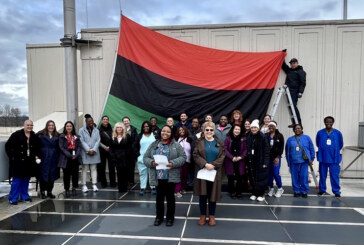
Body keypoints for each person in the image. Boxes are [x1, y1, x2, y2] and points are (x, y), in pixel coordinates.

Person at [144, 125, 187, 227]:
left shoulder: (176, 145)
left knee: (170, 198)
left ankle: (170, 218)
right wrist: (151, 162)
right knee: (159, 198)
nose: (165, 133)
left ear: (171, 133)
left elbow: (183, 157)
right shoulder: (154, 144)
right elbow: (145, 157)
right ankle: (159, 217)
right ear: (160, 132)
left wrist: (173, 163)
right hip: (158, 176)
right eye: (163, 131)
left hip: (170, 176)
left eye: (168, 132)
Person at [194, 122, 225, 226]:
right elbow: (195, 155)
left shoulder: (219, 143)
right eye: (207, 130)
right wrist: (205, 164)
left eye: (211, 130)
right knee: (203, 195)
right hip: (203, 172)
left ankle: (212, 216)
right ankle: (203, 215)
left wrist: (213, 165)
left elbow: (222, 156)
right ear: (204, 131)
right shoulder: (199, 142)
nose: (209, 132)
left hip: (214, 173)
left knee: (213, 195)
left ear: (214, 131)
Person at [5, 120, 40, 205]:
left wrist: (36, 155)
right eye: (28, 125)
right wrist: (13, 157)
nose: (29, 127)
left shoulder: (34, 136)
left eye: (31, 125)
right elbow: (8, 146)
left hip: (29, 162)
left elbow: (37, 148)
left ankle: (24, 196)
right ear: (24, 125)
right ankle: (13, 198)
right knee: (17, 180)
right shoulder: (16, 135)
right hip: (18, 162)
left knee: (26, 180)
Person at [316, 116, 343, 198]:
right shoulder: (320, 133)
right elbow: (318, 143)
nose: (328, 123)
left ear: (333, 122)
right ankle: (322, 190)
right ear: (324, 122)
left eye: (330, 122)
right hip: (323, 158)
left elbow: (341, 144)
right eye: (327, 122)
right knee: (322, 175)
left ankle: (336, 191)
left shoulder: (338, 133)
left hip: (334, 158)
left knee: (334, 176)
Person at [286, 124, 315, 197]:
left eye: (299, 128)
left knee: (304, 176)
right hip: (293, 161)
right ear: (293, 130)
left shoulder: (307, 138)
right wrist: (288, 162)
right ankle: (296, 191)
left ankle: (304, 191)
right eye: (296, 128)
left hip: (304, 161)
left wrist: (311, 159)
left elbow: (311, 148)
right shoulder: (290, 139)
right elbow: (287, 151)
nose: (297, 130)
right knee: (294, 177)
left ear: (302, 129)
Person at [246, 119, 270, 202]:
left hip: (260, 160)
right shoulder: (249, 136)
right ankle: (254, 193)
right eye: (252, 128)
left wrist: (265, 162)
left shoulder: (263, 137)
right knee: (253, 177)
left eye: (255, 128)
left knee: (261, 178)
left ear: (258, 128)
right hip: (251, 161)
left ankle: (261, 194)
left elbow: (267, 150)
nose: (253, 129)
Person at [58, 121, 83, 197]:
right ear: (65, 127)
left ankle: (74, 188)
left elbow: (79, 146)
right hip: (66, 157)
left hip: (75, 156)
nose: (69, 127)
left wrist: (76, 154)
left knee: (75, 174)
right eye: (67, 126)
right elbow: (61, 147)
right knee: (66, 175)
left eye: (70, 126)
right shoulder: (62, 136)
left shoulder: (76, 136)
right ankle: (67, 189)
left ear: (72, 128)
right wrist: (69, 155)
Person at [224, 124, 247, 199]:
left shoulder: (243, 139)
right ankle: (232, 192)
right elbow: (225, 149)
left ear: (240, 131)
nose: (237, 131)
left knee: (240, 177)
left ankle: (239, 192)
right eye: (235, 129)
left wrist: (241, 157)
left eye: (238, 130)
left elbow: (245, 150)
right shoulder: (228, 138)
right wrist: (232, 157)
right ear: (232, 130)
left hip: (240, 161)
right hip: (230, 160)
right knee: (230, 177)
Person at [37, 120, 60, 199]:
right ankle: (42, 191)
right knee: (43, 175)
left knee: (52, 175)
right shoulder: (41, 134)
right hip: (44, 157)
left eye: (52, 125)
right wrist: (37, 155)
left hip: (53, 157)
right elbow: (36, 145)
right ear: (47, 126)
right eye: (49, 125)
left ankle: (49, 192)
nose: (51, 127)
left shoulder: (57, 135)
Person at [281, 57, 306, 126]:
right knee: (290, 107)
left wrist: (300, 92)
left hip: (294, 92)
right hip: (288, 92)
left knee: (293, 106)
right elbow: (283, 65)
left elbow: (302, 83)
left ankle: (298, 123)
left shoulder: (301, 72)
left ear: (297, 63)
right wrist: (282, 56)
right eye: (291, 63)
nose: (293, 64)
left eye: (294, 63)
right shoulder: (289, 71)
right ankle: (294, 122)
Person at [79, 114, 101, 193]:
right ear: (86, 122)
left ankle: (94, 184)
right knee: (84, 169)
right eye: (89, 121)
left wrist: (94, 150)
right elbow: (81, 141)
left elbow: (98, 140)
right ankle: (84, 185)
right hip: (85, 153)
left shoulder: (97, 130)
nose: (91, 122)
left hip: (94, 152)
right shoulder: (81, 130)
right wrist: (88, 150)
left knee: (94, 169)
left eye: (92, 121)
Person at [134, 121, 156, 195]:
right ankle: (142, 187)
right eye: (144, 126)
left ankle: (153, 187)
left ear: (150, 127)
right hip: (142, 158)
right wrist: (138, 154)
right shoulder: (139, 136)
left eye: (147, 126)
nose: (146, 128)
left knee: (152, 173)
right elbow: (134, 146)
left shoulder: (154, 135)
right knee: (142, 173)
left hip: (153, 159)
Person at [109, 122, 132, 193]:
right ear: (115, 129)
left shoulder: (127, 136)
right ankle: (120, 188)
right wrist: (113, 157)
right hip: (116, 158)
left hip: (125, 158)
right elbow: (111, 148)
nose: (119, 129)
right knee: (119, 174)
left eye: (120, 127)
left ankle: (124, 188)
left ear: (123, 128)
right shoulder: (112, 137)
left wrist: (127, 156)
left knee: (125, 174)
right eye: (117, 127)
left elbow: (129, 147)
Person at [266, 121, 285, 197]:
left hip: (276, 157)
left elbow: (281, 148)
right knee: (269, 174)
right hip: (268, 158)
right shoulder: (266, 135)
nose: (271, 127)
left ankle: (280, 188)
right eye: (270, 126)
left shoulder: (280, 136)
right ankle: (271, 188)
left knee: (275, 173)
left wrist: (277, 157)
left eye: (272, 126)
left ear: (275, 127)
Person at [174, 126, 193, 198]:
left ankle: (182, 189)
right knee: (179, 176)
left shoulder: (189, 139)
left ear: (185, 130)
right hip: (179, 161)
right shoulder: (176, 139)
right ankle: (176, 191)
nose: (181, 131)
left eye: (183, 130)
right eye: (180, 130)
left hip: (187, 161)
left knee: (185, 176)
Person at [98, 115, 115, 188]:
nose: (105, 120)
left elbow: (114, 139)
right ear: (102, 120)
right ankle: (103, 183)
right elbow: (97, 141)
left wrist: (110, 147)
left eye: (107, 119)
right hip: (102, 150)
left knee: (112, 167)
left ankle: (113, 183)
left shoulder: (112, 129)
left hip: (111, 150)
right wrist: (105, 147)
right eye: (104, 119)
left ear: (108, 120)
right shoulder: (98, 130)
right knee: (102, 167)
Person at [122, 116, 138, 188]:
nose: (126, 122)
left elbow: (136, 140)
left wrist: (133, 148)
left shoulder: (134, 129)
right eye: (124, 121)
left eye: (127, 121)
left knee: (131, 167)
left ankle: (131, 181)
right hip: (123, 152)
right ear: (123, 122)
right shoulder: (120, 129)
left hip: (132, 152)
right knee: (124, 168)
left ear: (129, 121)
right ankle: (125, 181)